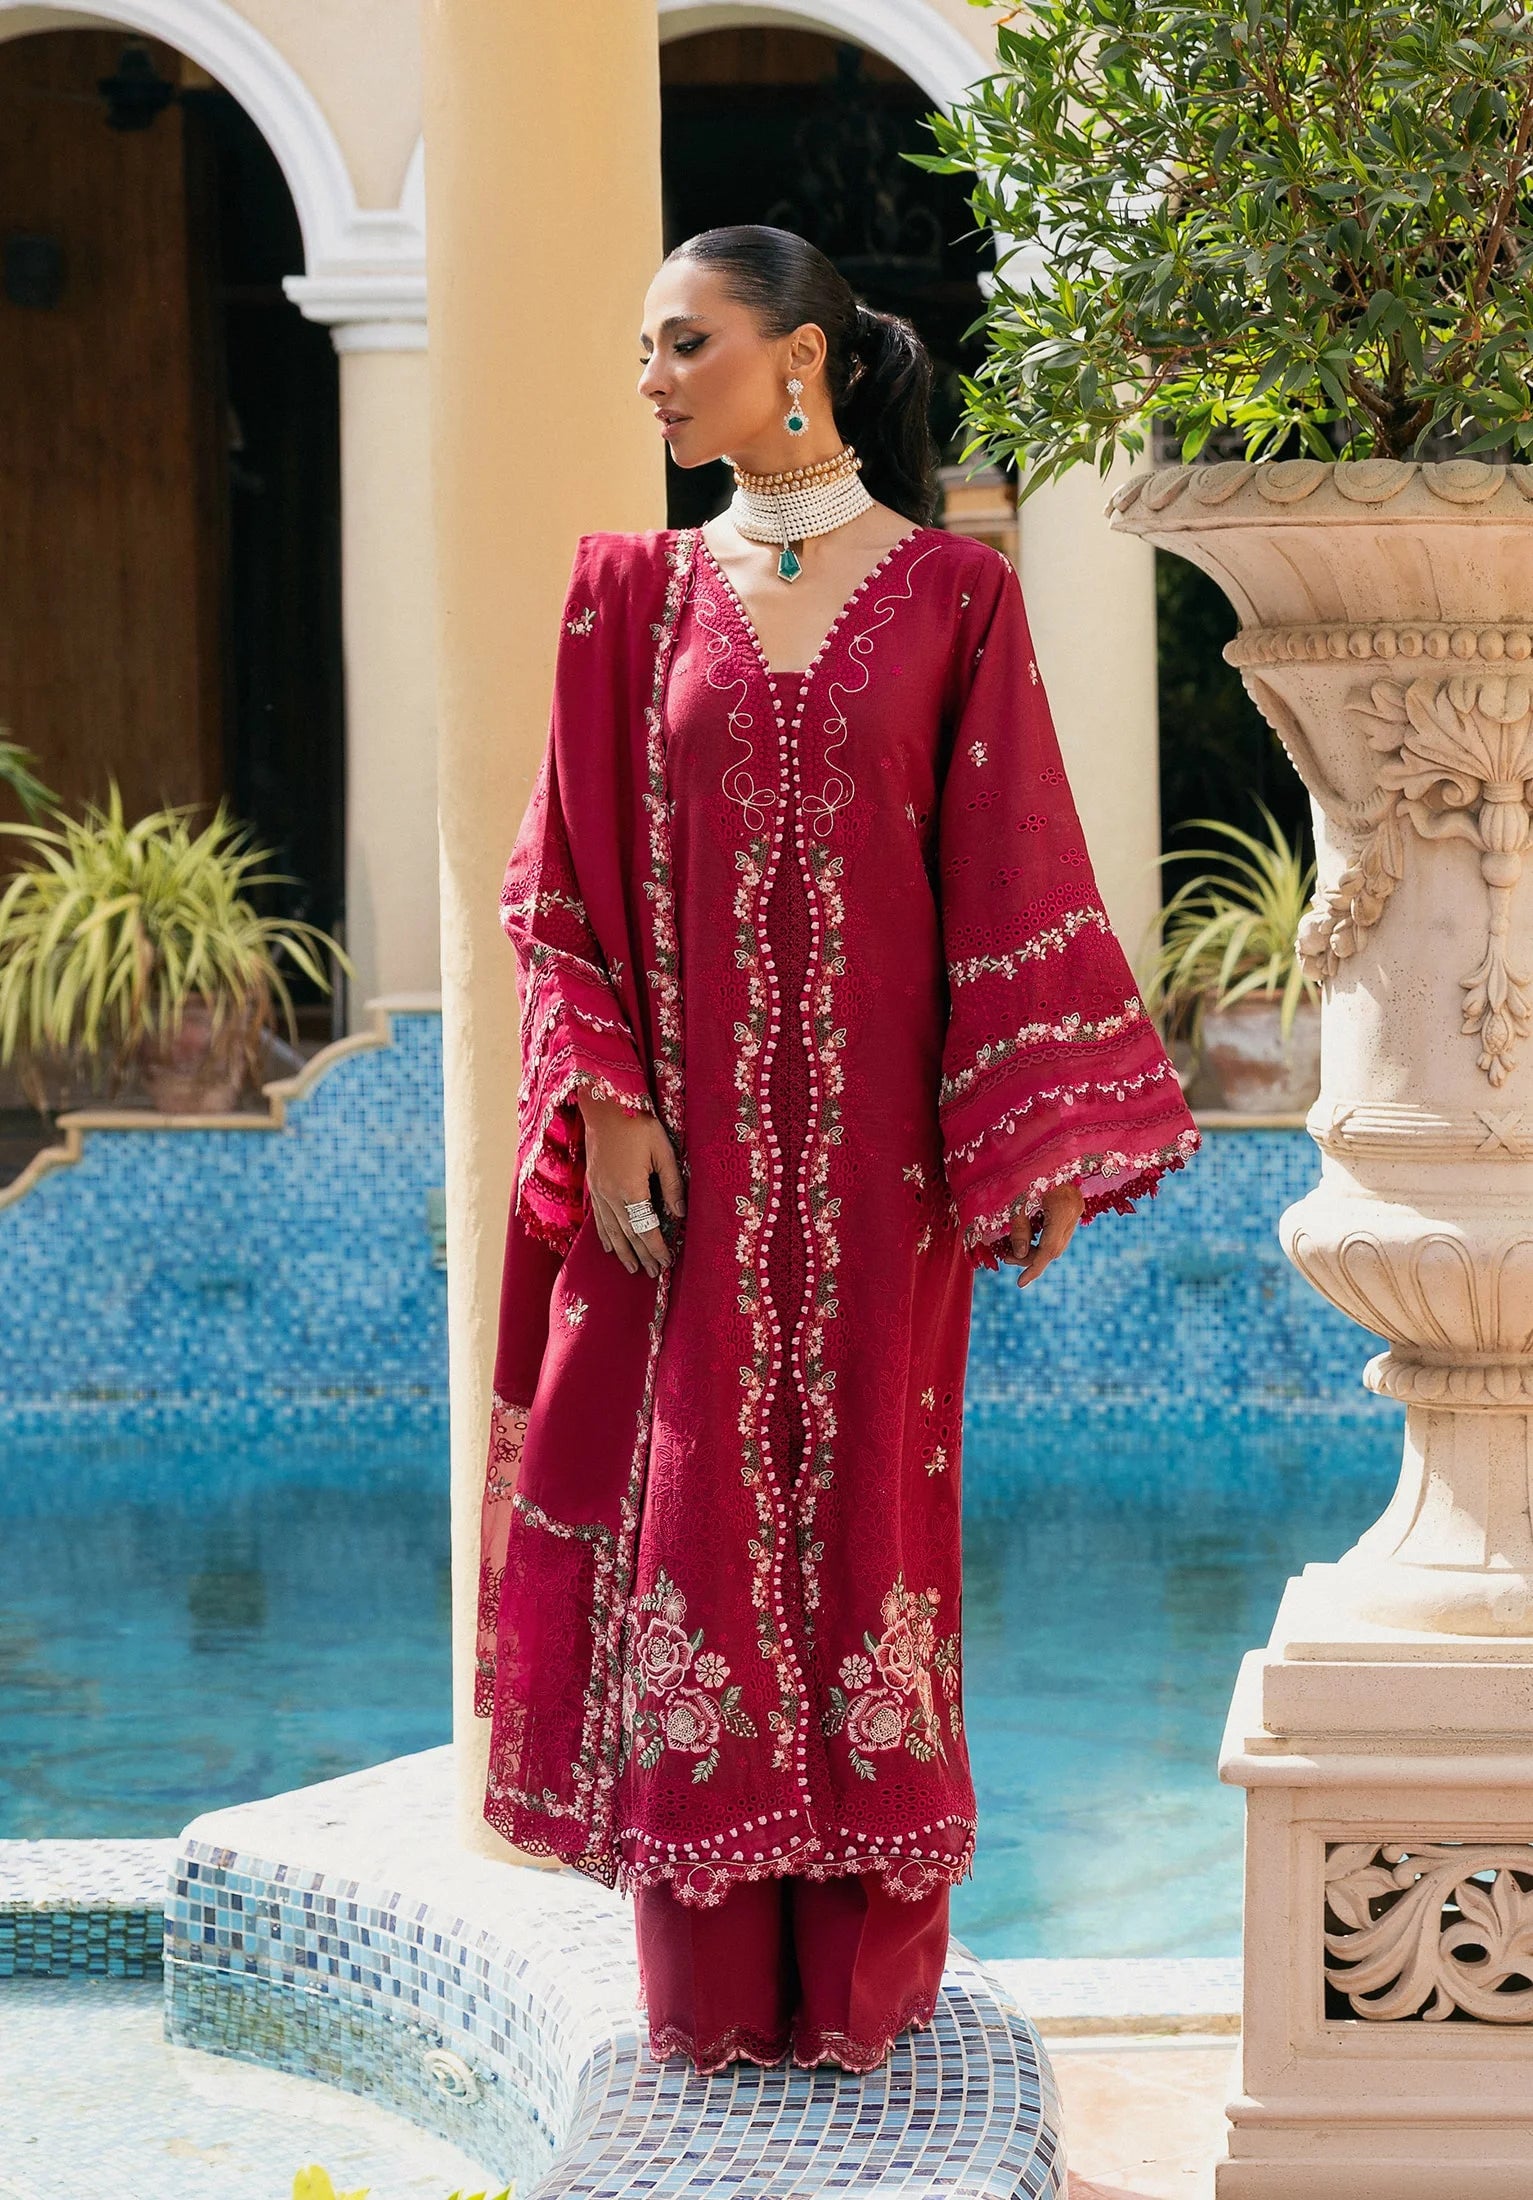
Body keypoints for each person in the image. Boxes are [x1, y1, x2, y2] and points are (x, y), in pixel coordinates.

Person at [474, 224, 1198, 2076]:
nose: (650, 380)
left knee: (876, 1518)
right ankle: (715, 1982)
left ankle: (866, 1981)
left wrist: (1033, 1139)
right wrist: (609, 1104)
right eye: (647, 348)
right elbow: (557, 885)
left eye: (683, 344)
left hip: (889, 1182)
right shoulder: (630, 600)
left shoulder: (956, 596)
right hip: (687, 1178)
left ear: (796, 356)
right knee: (695, 1522)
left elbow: (1012, 864)